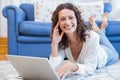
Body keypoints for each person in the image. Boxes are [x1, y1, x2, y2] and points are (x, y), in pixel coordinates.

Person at [49, 3, 119, 80]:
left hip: (104, 53)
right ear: (58, 23)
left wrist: (73, 66)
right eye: (62, 19)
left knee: (116, 55)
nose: (67, 22)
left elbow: (90, 69)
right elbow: (53, 68)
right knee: (96, 36)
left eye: (71, 17)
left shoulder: (92, 37)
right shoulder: (61, 39)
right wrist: (54, 44)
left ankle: (101, 30)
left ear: (77, 19)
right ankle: (98, 29)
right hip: (93, 47)